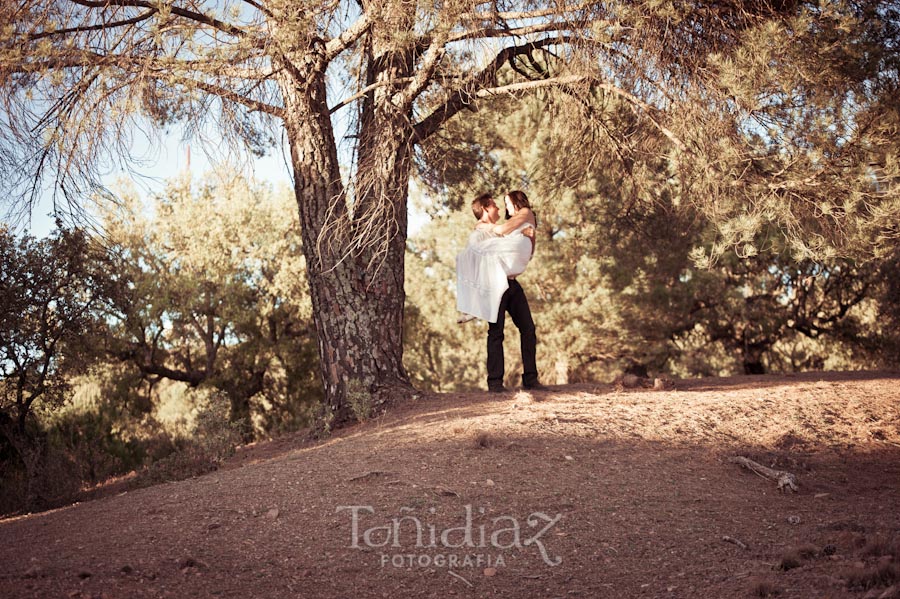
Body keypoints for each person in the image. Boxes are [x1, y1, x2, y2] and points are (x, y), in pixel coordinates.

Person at [456, 191, 544, 393]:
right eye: (497, 205)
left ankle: (531, 379)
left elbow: (517, 244)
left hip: (512, 283)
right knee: (496, 332)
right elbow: (478, 256)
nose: (501, 208)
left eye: (505, 203)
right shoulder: (478, 233)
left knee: (528, 329)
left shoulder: (513, 221)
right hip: (495, 284)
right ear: (486, 209)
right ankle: (495, 382)